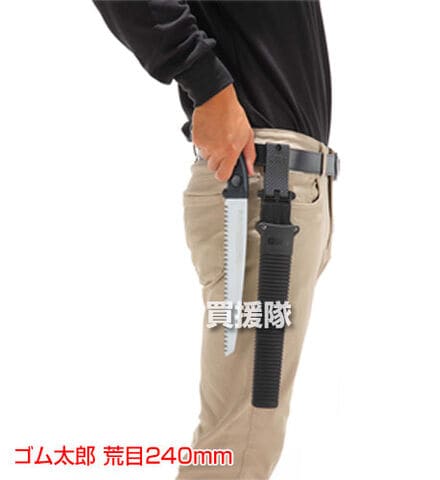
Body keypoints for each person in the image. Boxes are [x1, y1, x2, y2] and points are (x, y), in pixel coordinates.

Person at [93, 1, 338, 478]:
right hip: (263, 189)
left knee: (246, 437)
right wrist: (205, 82)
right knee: (239, 446)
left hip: (286, 187)